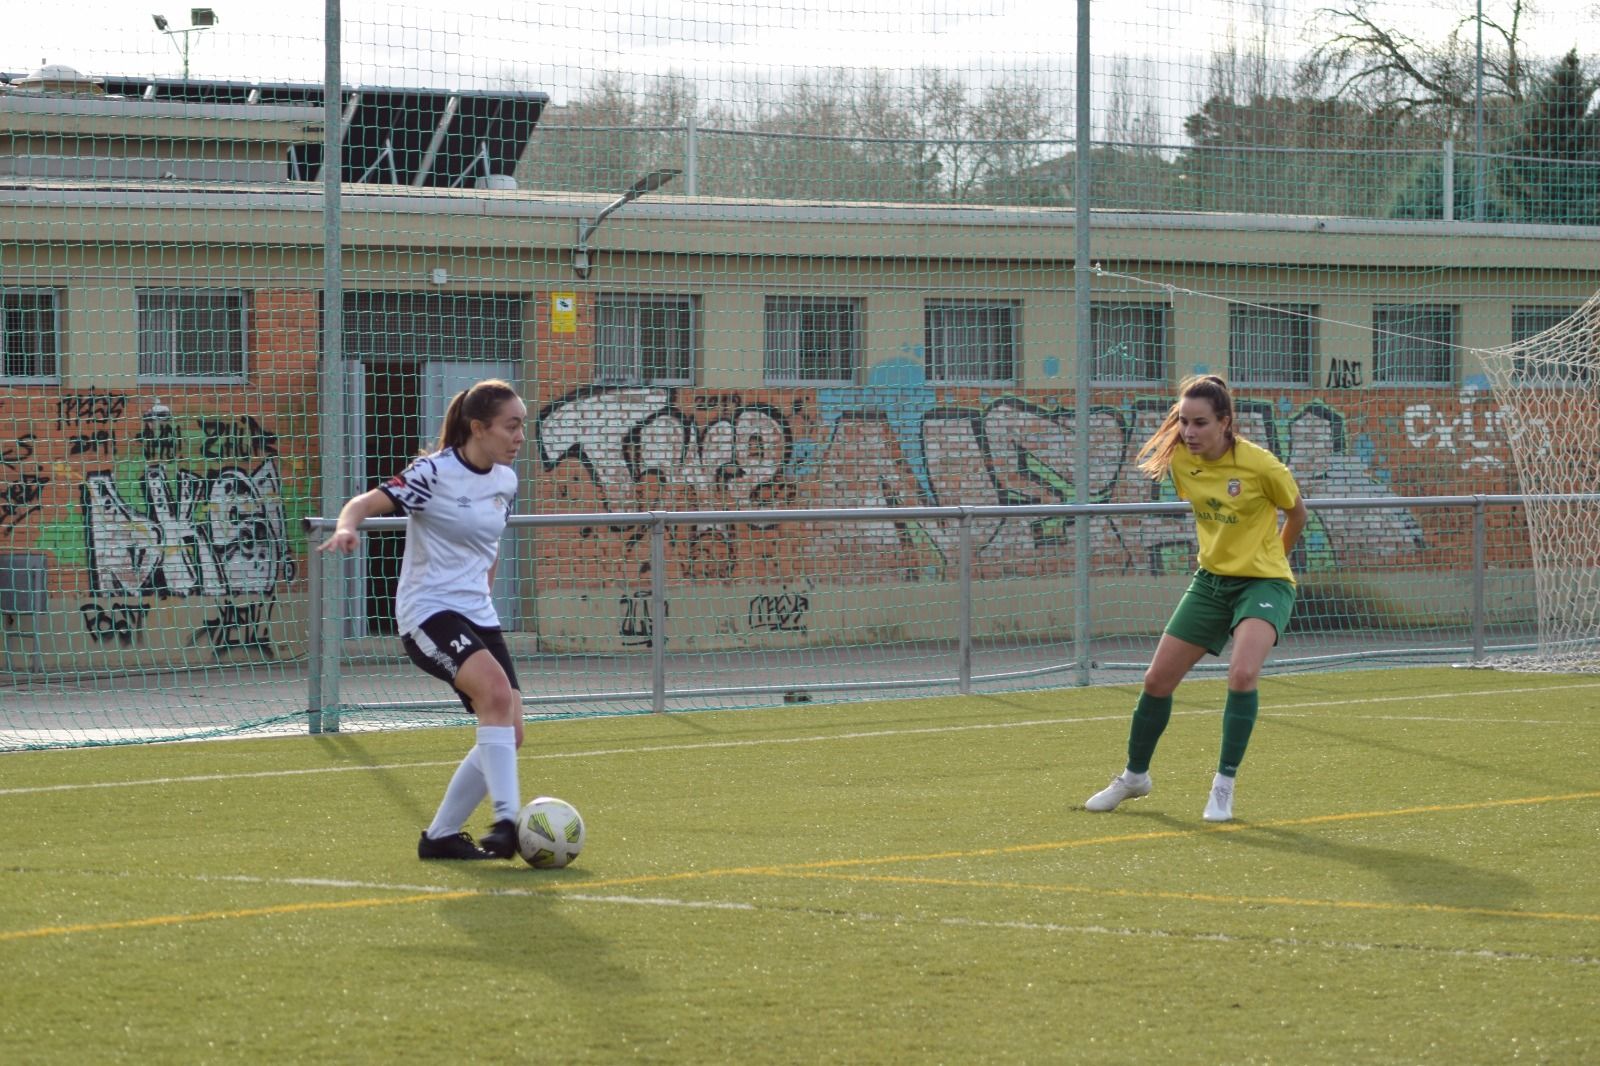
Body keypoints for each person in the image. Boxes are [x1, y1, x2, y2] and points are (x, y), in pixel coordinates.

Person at [320, 379, 528, 859]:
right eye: (511, 426)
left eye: (522, 425)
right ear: (478, 428)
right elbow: (364, 503)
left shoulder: (505, 480)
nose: (519, 437)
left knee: (510, 730)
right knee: (495, 696)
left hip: (478, 614)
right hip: (428, 613)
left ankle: (439, 838)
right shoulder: (432, 472)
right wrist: (348, 529)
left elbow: (488, 547)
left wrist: (484, 598)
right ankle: (507, 820)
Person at [1084, 374, 1307, 822]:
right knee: (1155, 681)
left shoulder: (1263, 466)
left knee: (1242, 674)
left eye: (1200, 422)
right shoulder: (1184, 462)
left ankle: (1223, 785)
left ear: (1226, 422)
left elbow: (1296, 514)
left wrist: (1271, 563)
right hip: (1210, 582)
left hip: (1264, 584)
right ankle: (1134, 778)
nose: (1188, 432)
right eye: (1183, 422)